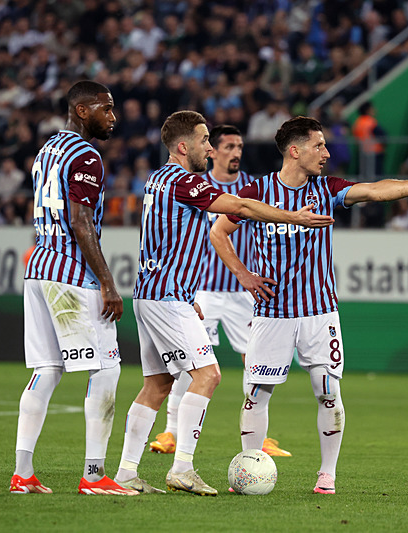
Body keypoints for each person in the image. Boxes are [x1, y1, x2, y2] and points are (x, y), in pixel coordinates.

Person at [209, 116, 408, 495]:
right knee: (256, 394)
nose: (326, 152)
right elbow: (219, 232)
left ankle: (327, 474)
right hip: (272, 314)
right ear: (295, 151)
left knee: (327, 391)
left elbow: (373, 191)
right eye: (319, 145)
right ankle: (249, 467)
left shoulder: (327, 189)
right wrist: (242, 274)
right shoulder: (257, 191)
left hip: (319, 313)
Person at [113, 111, 334, 496]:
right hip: (167, 297)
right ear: (184, 147)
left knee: (158, 384)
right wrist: (292, 216)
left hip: (154, 293)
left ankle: (126, 473)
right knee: (209, 375)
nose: (210, 149)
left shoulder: (155, 179)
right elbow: (242, 209)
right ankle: (182, 468)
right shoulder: (184, 182)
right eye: (204, 141)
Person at [10, 80, 139, 496]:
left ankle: (23, 474)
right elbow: (80, 222)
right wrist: (107, 283)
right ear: (82, 111)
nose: (113, 117)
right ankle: (94, 475)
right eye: (106, 108)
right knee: (106, 368)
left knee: (47, 370)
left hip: (39, 267)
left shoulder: (48, 149)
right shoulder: (86, 155)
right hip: (70, 274)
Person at [147, 125, 292, 458]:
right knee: (189, 361)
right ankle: (170, 431)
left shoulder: (252, 188)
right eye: (228, 146)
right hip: (204, 291)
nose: (235, 152)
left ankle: (258, 435)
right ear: (213, 151)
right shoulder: (196, 185)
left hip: (243, 293)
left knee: (256, 361)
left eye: (239, 146)